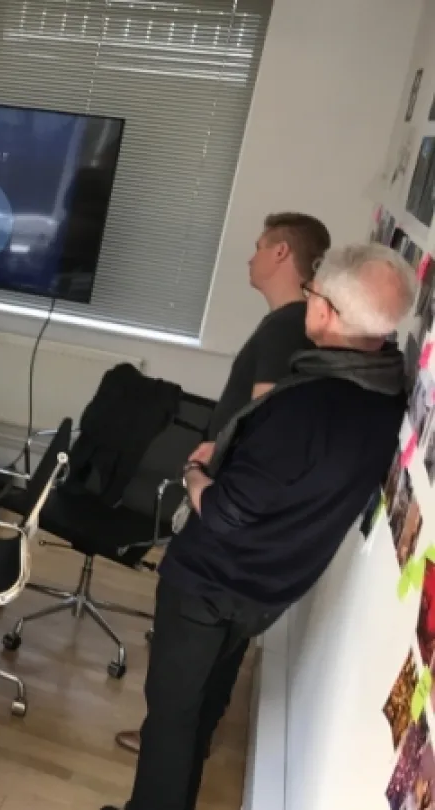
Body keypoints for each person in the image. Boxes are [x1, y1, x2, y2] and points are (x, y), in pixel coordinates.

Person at [103, 243, 416, 810]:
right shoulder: (386, 396)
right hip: (269, 588)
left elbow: (224, 511)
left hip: (210, 583)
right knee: (201, 706)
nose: (308, 303)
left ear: (327, 311)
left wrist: (197, 471)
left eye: (313, 294)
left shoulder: (308, 406)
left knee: (171, 716)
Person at [113, 210, 330, 755]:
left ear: (283, 254)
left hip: (223, 510)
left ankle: (169, 743)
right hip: (239, 513)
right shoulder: (295, 323)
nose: (250, 256)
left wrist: (207, 473)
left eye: (260, 245)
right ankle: (193, 738)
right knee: (220, 645)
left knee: (189, 647)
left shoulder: (287, 323)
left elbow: (266, 420)